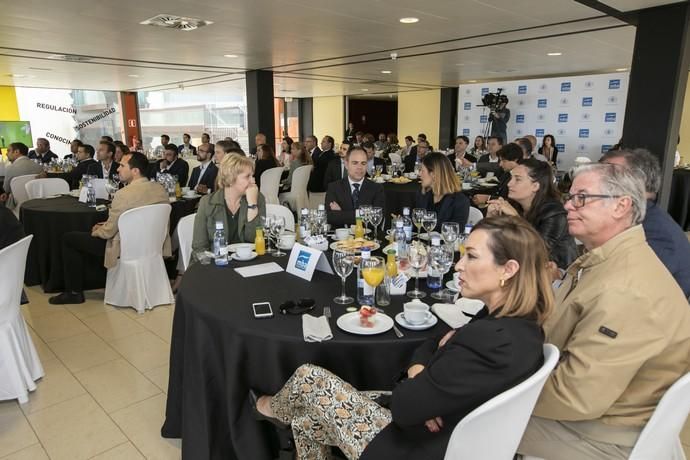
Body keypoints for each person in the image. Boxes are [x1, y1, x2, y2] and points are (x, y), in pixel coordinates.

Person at [252, 215, 553, 459]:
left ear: (508, 269)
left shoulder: (492, 340)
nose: (458, 266)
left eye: (471, 257)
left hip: (423, 446)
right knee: (306, 421)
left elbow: (406, 408)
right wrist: (424, 376)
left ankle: (266, 408)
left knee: (309, 378)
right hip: (436, 420)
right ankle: (280, 411)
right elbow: (431, 344)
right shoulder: (514, 324)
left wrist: (423, 393)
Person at [517, 163, 690, 459]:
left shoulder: (625, 288)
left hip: (602, 433)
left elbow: (575, 397)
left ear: (621, 206)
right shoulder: (609, 259)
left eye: (582, 198)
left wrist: (498, 383)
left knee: (464, 419)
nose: (568, 206)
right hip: (603, 414)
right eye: (570, 197)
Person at [48, 152, 170, 305]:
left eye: (122, 166)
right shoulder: (160, 189)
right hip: (152, 245)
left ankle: (74, 292)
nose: (118, 169)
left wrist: (97, 230)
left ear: (135, 171)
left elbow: (108, 232)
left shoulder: (124, 194)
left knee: (69, 239)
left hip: (125, 247)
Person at [601, 148, 690, 297]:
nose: (600, 183)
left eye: (611, 177)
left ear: (637, 181)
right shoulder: (642, 217)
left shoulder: (654, 233)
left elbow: (626, 296)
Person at [488, 158, 577, 269]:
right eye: (511, 178)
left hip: (556, 273)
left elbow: (539, 251)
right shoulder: (515, 205)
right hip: (520, 266)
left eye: (518, 179)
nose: (509, 184)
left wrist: (516, 218)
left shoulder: (554, 212)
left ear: (535, 186)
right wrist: (491, 219)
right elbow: (496, 243)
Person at [192, 154, 265, 253]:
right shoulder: (207, 203)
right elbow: (199, 246)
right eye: (247, 176)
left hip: (248, 261)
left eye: (252, 176)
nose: (253, 180)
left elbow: (254, 241)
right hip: (217, 262)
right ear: (230, 178)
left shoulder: (257, 198)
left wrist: (252, 205)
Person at [325, 146, 385, 227]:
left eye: (363, 163)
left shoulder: (376, 188)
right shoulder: (334, 187)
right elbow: (330, 217)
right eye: (355, 163)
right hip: (342, 238)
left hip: (367, 237)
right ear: (346, 164)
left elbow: (376, 219)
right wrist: (363, 214)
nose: (359, 167)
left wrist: (341, 212)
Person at [415, 152, 470, 232]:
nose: (419, 174)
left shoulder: (459, 201)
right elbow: (416, 227)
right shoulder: (422, 195)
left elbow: (455, 233)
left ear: (433, 174)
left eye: (422, 171)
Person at [2, 142, 43, 208]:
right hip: (37, 204)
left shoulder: (10, 168)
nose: (6, 153)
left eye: (8, 150)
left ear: (16, 151)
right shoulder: (39, 167)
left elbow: (6, 190)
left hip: (16, 206)